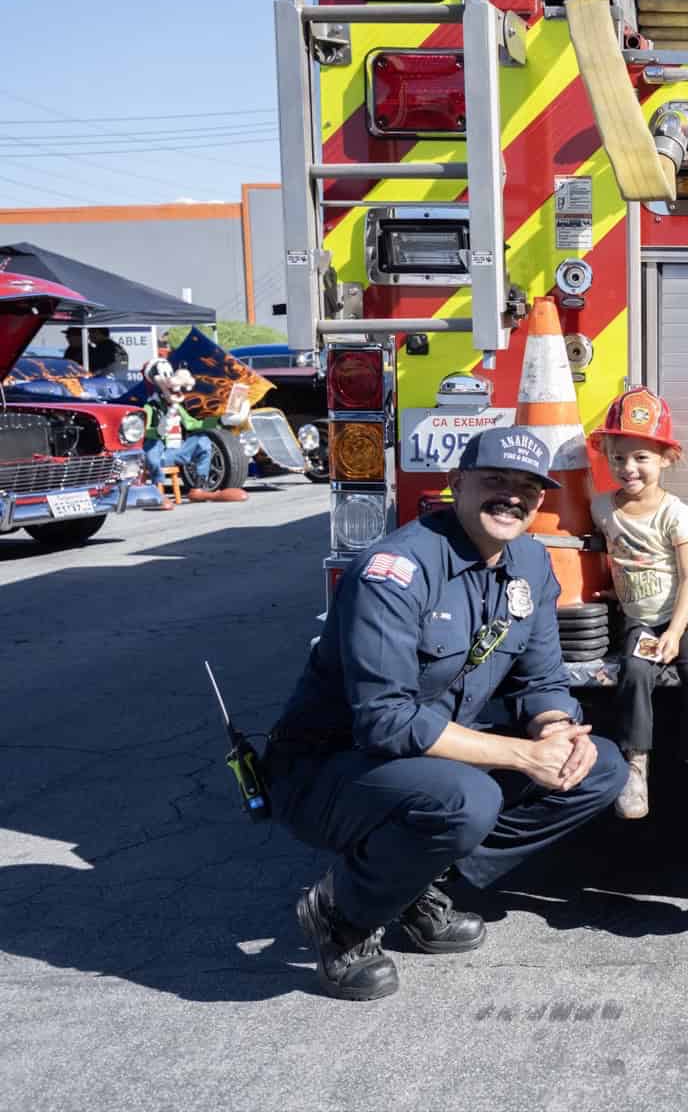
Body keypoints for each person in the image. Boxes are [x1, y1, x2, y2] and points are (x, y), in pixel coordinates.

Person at [265, 427, 625, 1000]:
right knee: (465, 799)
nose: (512, 496)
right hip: (331, 769)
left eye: (528, 488)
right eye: (495, 480)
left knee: (600, 767)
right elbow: (384, 720)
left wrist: (557, 731)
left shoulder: (530, 563)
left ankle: (407, 884)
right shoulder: (395, 571)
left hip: (430, 758)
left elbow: (541, 681)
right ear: (456, 484)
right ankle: (341, 917)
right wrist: (522, 754)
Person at [588, 387, 688, 829]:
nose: (629, 468)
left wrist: (674, 633)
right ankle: (635, 772)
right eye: (619, 457)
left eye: (642, 457)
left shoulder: (676, 513)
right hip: (640, 621)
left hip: (686, 618)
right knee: (634, 675)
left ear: (666, 457)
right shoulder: (601, 509)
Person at [139, 361, 247, 504]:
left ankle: (199, 488)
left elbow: (192, 424)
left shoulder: (177, 406)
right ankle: (157, 491)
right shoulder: (150, 407)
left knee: (202, 440)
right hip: (160, 453)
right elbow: (143, 432)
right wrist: (158, 431)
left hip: (176, 451)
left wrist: (221, 421)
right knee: (152, 450)